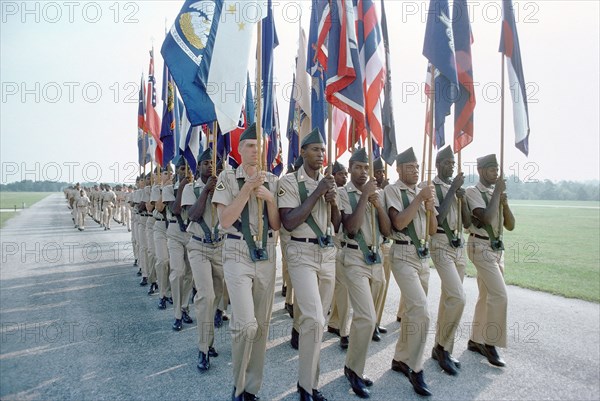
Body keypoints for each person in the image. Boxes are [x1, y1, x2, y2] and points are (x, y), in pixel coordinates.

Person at [212, 123, 280, 401]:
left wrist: (270, 199)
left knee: (262, 327)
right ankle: (238, 386)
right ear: (240, 150)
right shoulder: (227, 178)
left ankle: (251, 387)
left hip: (266, 255)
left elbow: (277, 225)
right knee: (246, 324)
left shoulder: (273, 181)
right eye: (250, 146)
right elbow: (225, 220)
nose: (255, 151)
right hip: (237, 253)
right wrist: (247, 189)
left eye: (259, 147)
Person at [278, 128, 341, 401]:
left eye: (323, 150)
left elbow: (336, 225)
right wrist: (317, 193)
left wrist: (333, 201)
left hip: (327, 254)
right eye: (315, 149)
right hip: (300, 254)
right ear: (302, 152)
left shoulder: (328, 183)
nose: (320, 154)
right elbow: (289, 221)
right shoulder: (289, 182)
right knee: (314, 319)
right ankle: (305, 388)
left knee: (318, 323)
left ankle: (311, 384)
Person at [339, 148, 392, 398]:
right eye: (358, 167)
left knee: (365, 319)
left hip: (376, 259)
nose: (363, 172)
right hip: (353, 258)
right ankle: (356, 373)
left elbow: (388, 231)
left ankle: (351, 366)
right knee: (367, 317)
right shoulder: (342, 193)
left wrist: (377, 204)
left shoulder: (376, 194)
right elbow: (350, 228)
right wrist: (364, 198)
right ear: (349, 168)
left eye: (366, 168)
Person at [384, 147, 437, 397]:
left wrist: (429, 203)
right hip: (403, 254)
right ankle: (416, 369)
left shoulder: (422, 192)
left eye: (417, 166)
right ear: (399, 169)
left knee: (412, 314)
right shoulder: (393, 190)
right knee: (421, 312)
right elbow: (399, 223)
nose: (415, 170)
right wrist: (418, 199)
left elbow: (433, 229)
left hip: (422, 257)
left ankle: (401, 358)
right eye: (410, 166)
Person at [465, 154, 515, 367]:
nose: (496, 172)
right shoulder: (472, 192)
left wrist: (504, 202)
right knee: (499, 294)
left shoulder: (497, 194)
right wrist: (496, 194)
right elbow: (484, 217)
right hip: (480, 245)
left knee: (486, 294)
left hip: (496, 248)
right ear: (480, 170)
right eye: (491, 169)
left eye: (497, 169)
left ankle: (476, 340)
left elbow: (510, 225)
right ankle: (490, 343)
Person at [427, 145, 471, 375]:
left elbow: (467, 223)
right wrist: (453, 190)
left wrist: (461, 197)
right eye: (447, 163)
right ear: (437, 164)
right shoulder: (431, 187)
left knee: (449, 299)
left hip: (458, 245)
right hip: (441, 244)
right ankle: (443, 348)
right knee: (458, 297)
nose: (451, 166)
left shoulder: (457, 188)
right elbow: (437, 219)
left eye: (453, 164)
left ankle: (442, 347)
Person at [182, 148, 223, 371]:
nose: (209, 166)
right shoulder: (192, 188)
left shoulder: (223, 186)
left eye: (213, 162)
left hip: (220, 247)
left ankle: (209, 339)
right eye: (205, 162)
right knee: (205, 296)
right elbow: (193, 215)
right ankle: (203, 348)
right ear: (198, 166)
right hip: (198, 245)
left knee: (216, 297)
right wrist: (206, 191)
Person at [165, 159, 194, 331]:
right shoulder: (169, 189)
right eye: (183, 168)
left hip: (190, 233)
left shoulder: (194, 187)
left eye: (188, 168)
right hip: (175, 233)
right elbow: (175, 209)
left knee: (189, 275)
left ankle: (184, 308)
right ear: (177, 171)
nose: (186, 171)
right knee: (178, 272)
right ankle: (176, 314)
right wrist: (182, 186)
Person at [326, 161, 351, 350]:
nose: (345, 177)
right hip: (332, 244)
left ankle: (335, 323)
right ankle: (345, 332)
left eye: (345, 174)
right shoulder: (332, 191)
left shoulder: (345, 193)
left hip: (343, 245)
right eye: (341, 174)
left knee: (339, 289)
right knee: (342, 290)